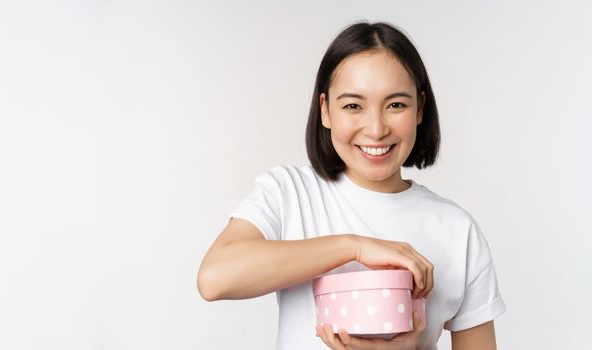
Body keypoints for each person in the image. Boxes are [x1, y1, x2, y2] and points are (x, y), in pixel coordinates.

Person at [197, 21, 505, 349]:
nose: (375, 129)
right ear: (326, 111)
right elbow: (214, 279)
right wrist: (354, 247)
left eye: (396, 105)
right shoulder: (290, 193)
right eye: (353, 106)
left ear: (420, 109)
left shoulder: (457, 230)